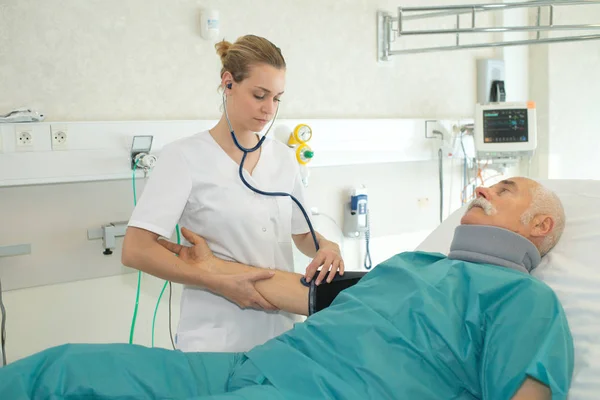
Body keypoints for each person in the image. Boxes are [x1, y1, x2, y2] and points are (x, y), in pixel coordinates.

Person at [0, 177, 573, 399]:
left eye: (506, 188)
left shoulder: (524, 301)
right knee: (60, 371)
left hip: (327, 394)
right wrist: (208, 267)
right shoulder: (409, 267)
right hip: (245, 371)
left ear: (539, 227)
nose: (482, 187)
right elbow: (285, 289)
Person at [121, 34, 344, 352]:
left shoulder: (282, 158)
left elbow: (300, 234)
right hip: (217, 337)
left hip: (283, 333)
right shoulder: (184, 157)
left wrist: (328, 246)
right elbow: (136, 250)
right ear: (228, 83)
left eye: (277, 98)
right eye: (259, 95)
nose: (269, 109)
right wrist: (219, 282)